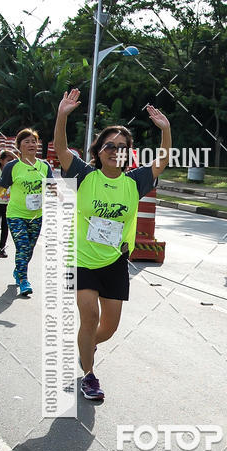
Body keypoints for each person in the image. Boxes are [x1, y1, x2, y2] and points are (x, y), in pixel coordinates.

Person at [54, 88, 171, 402]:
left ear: (127, 154)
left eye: (121, 147)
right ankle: (89, 376)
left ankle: (88, 345)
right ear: (99, 150)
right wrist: (62, 116)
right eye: (109, 145)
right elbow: (61, 150)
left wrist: (166, 130)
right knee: (89, 316)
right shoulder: (84, 175)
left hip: (115, 262)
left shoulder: (135, 181)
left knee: (109, 327)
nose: (115, 150)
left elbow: (162, 161)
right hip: (80, 259)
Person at [0, 129, 53, 295]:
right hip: (16, 215)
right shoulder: (12, 166)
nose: (31, 144)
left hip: (36, 216)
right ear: (19, 146)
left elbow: (52, 187)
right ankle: (23, 280)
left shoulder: (44, 166)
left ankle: (19, 270)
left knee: (29, 249)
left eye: (34, 141)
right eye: (27, 141)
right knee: (23, 247)